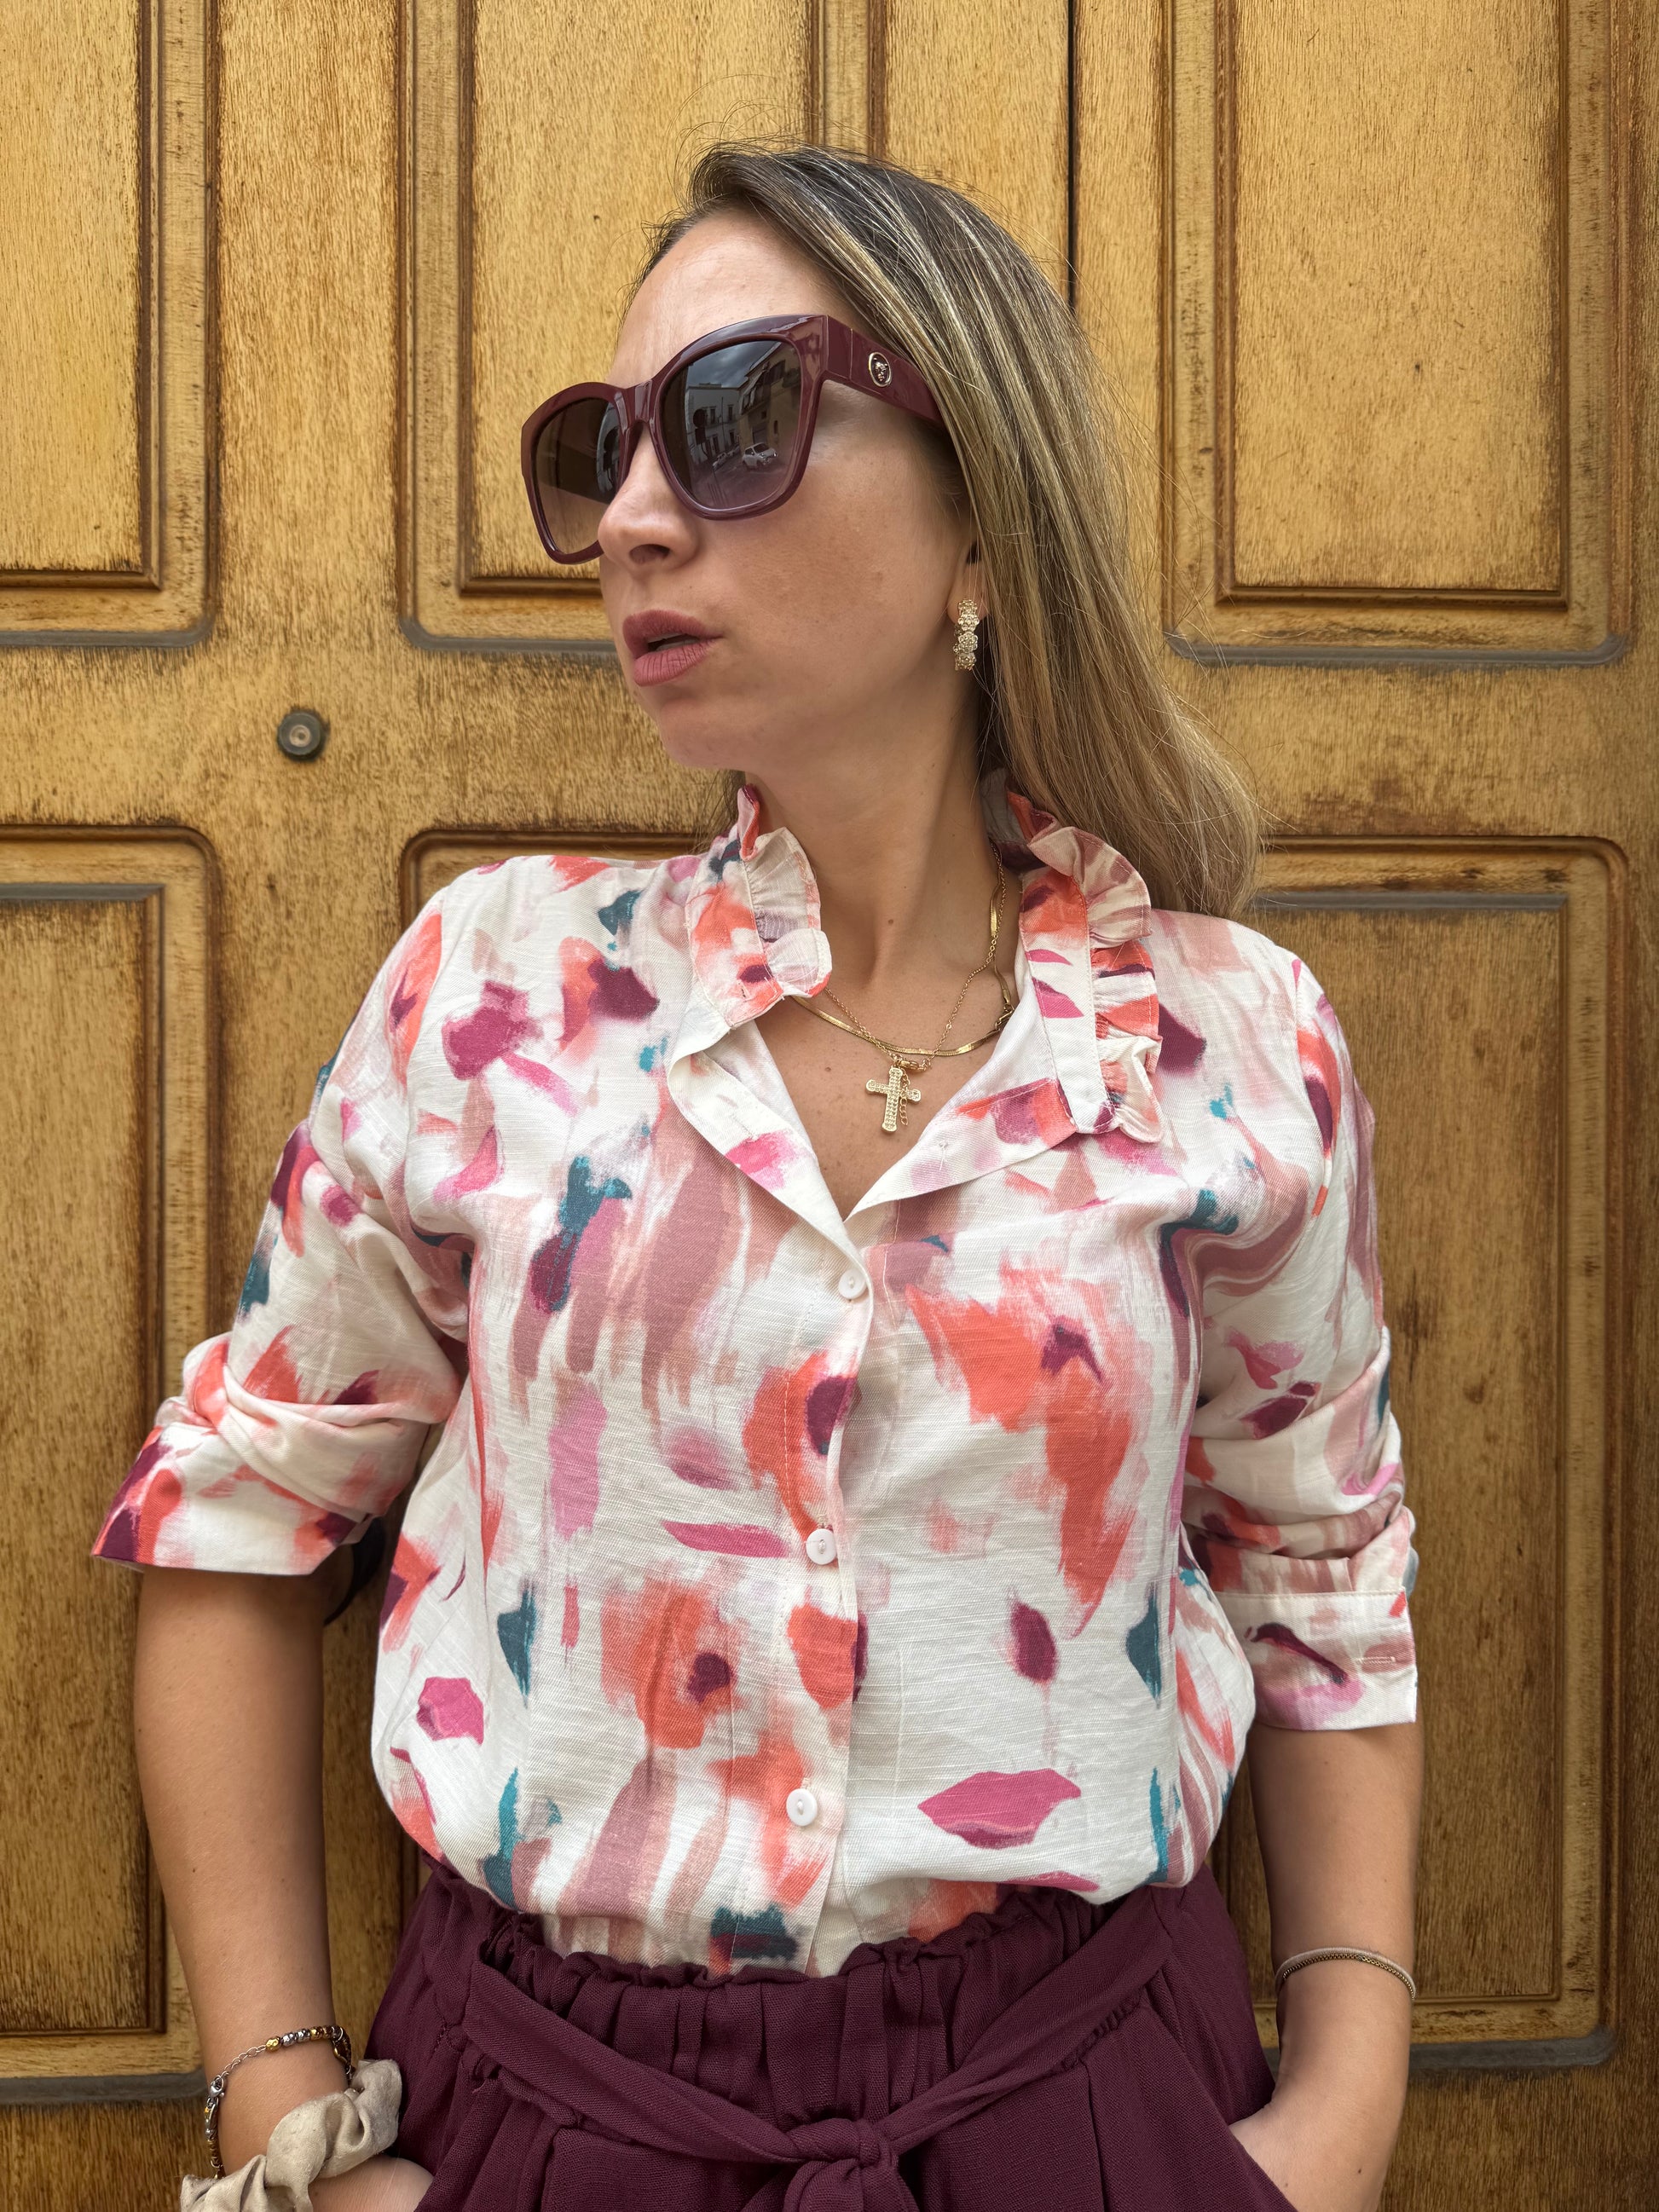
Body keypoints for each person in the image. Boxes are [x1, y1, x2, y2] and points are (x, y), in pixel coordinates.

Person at [95, 141, 1422, 2212]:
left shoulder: (1228, 1041)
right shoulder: (493, 993)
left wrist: (1341, 2106)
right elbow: (241, 1513)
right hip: (553, 2116)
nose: (630, 515)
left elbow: (1320, 1568)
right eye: (600, 449)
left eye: (729, 420)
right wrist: (289, 2122)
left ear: (979, 503)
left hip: (1089, 2105)